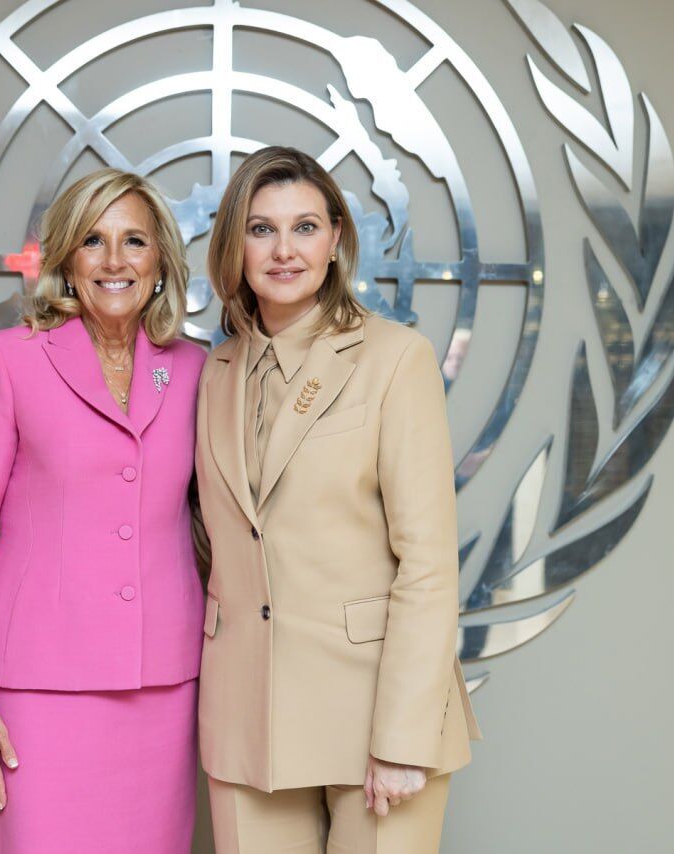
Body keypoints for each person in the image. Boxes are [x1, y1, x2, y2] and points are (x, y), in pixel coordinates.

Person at [194, 146, 482, 853]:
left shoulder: (395, 358)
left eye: (305, 227)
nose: (284, 250)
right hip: (245, 716)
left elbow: (427, 562)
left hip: (374, 711)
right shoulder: (213, 372)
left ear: (337, 242)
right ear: (234, 245)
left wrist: (404, 737)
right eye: (261, 229)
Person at [0, 168, 207, 853]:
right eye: (94, 240)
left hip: (165, 685)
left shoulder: (196, 369)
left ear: (160, 262)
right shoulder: (10, 362)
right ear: (66, 259)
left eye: (135, 241)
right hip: (40, 690)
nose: (115, 261)